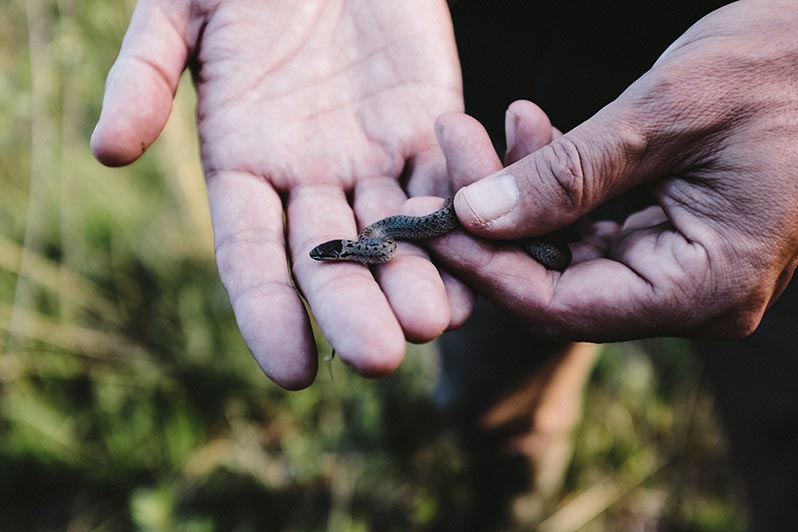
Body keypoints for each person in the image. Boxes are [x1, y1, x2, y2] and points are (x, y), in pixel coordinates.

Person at [92, 0, 798, 529]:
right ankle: (509, 499)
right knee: (490, 395)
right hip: (455, 102)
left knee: (780, 428)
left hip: (764, 137)